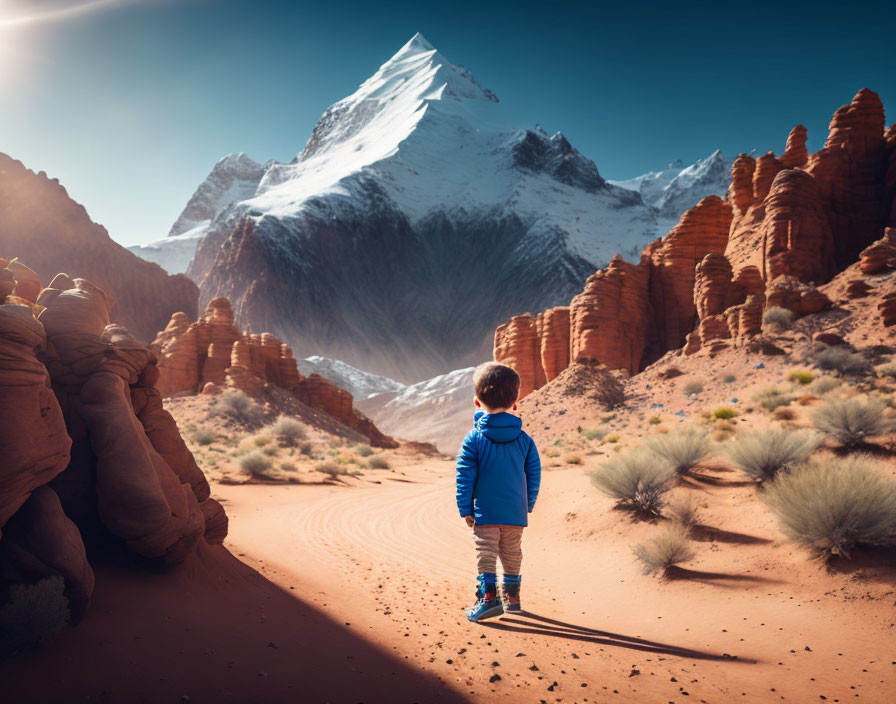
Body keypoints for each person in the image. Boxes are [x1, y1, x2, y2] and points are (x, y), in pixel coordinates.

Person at [455, 362, 541, 622]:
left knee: (486, 554)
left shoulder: (473, 438)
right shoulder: (525, 440)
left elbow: (464, 475)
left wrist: (465, 508)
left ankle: (488, 600)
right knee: (513, 553)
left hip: (486, 512)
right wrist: (529, 502)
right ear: (516, 404)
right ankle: (512, 601)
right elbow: (533, 473)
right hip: (515, 513)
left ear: (476, 402)